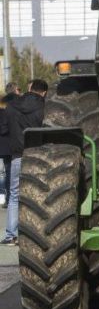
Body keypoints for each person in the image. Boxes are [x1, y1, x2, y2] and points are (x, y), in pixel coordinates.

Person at [2, 79, 48, 246]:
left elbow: (3, 129)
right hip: (38, 157)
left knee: (14, 196)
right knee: (39, 196)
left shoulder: (12, 106)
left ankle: (11, 235)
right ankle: (35, 236)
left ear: (30, 89)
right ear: (43, 92)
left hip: (17, 157)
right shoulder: (45, 107)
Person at [0, 82, 19, 208]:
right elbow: (3, 128)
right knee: (10, 171)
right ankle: (10, 199)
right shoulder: (14, 105)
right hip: (8, 144)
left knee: (7, 172)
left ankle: (8, 198)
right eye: (18, 89)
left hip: (5, 145)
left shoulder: (3, 104)